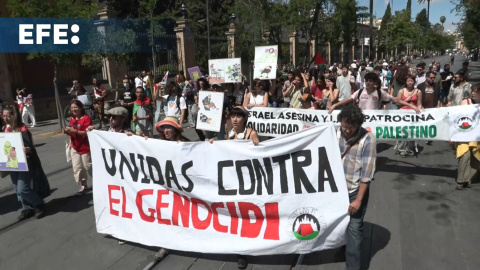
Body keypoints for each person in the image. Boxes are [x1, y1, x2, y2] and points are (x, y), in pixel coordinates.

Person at [208, 106, 259, 269]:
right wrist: (213, 144)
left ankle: (243, 252)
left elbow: (259, 154)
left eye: (238, 116)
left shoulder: (251, 133)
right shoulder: (230, 135)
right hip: (232, 181)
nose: (235, 119)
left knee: (244, 214)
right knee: (234, 213)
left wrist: (255, 145)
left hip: (246, 182)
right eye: (232, 116)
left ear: (244, 119)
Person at [336, 105, 376, 270]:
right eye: (344, 126)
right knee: (340, 223)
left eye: (351, 127)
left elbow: (367, 175)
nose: (346, 130)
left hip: (354, 192)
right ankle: (342, 248)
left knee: (354, 229)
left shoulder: (368, 140)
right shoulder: (336, 132)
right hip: (337, 191)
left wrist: (359, 200)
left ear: (358, 124)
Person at [2, 105, 50, 220]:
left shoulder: (22, 129)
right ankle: (26, 208)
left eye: (7, 115)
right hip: (12, 163)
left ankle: (39, 204)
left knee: (22, 189)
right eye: (3, 116)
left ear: (14, 115)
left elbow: (30, 147)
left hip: (26, 163)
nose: (5, 118)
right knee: (16, 189)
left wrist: (28, 149)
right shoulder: (6, 129)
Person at [329, 72, 421, 113]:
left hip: (374, 121)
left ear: (374, 83)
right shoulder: (360, 91)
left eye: (370, 81)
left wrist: (412, 106)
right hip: (362, 119)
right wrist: (335, 105)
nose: (368, 83)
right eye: (366, 81)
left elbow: (397, 100)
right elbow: (348, 99)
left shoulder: (379, 92)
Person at [454, 85, 480, 190]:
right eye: (472, 91)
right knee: (465, 156)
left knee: (476, 160)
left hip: (477, 136)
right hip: (464, 133)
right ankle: (460, 181)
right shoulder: (466, 101)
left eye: (476, 91)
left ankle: (468, 178)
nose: (473, 93)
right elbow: (457, 116)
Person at [63, 100, 92, 194]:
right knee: (77, 167)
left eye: (75, 107)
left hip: (85, 147)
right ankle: (84, 185)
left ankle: (98, 182)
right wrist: (67, 132)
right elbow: (71, 133)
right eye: (71, 108)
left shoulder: (86, 118)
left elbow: (87, 133)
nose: (73, 109)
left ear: (80, 108)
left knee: (88, 166)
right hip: (75, 146)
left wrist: (74, 131)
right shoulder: (72, 119)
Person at [396, 75, 423, 157]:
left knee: (411, 132)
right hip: (403, 114)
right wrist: (406, 101)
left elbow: (419, 104)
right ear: (406, 82)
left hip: (413, 115)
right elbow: (398, 102)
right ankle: (402, 149)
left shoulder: (418, 91)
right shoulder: (401, 91)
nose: (410, 82)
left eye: (411, 81)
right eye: (408, 81)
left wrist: (419, 111)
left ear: (414, 82)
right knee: (402, 132)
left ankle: (411, 149)